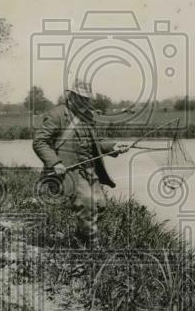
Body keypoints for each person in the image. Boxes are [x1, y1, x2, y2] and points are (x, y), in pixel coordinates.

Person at [32, 78, 130, 241]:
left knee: (100, 205)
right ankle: (90, 246)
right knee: (87, 203)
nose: (84, 101)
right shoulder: (56, 115)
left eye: (87, 98)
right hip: (68, 171)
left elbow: (95, 144)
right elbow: (39, 142)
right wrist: (55, 162)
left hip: (89, 170)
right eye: (81, 97)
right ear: (71, 96)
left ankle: (79, 237)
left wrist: (114, 147)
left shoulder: (87, 117)